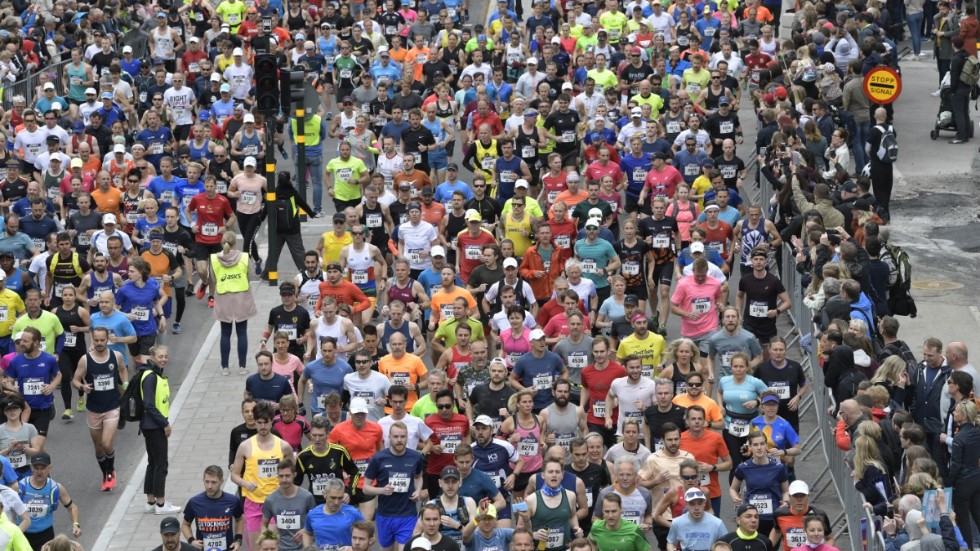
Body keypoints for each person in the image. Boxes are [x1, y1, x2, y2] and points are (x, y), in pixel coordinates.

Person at [230, 400, 295, 549]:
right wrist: (245, 483)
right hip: (253, 502)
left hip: (276, 501)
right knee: (255, 547)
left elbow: (293, 473)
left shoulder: (284, 447)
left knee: (270, 546)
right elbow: (234, 475)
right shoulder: (245, 446)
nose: (263, 426)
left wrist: (285, 484)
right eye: (259, 422)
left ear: (272, 422)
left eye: (266, 423)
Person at [71, 327, 127, 491]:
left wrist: (125, 384)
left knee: (106, 442)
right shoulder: (85, 360)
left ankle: (110, 472)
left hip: (112, 406)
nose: (100, 343)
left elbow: (123, 370)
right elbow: (75, 380)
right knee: (98, 448)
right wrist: (82, 386)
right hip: (94, 409)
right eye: (97, 340)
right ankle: (105, 474)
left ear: (107, 339)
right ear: (92, 340)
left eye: (103, 340)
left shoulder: (116, 356)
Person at [363, 421, 425, 551]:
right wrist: (382, 490)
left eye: (402, 437)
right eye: (396, 437)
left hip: (407, 514)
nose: (399, 440)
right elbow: (366, 488)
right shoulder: (378, 458)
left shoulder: (415, 457)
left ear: (407, 437)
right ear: (389, 437)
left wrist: (418, 491)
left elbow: (419, 477)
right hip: (385, 515)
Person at [139, 345, 182, 515]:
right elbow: (149, 404)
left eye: (165, 356)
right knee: (161, 464)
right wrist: (164, 423)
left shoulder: (154, 374)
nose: (163, 359)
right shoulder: (151, 377)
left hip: (150, 425)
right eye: (160, 356)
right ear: (152, 357)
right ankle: (161, 504)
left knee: (153, 462)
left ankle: (150, 501)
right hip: (154, 426)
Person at [210, 231, 258, 376]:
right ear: (235, 243)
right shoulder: (243, 257)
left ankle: (225, 367)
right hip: (241, 297)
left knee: (225, 333)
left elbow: (213, 278)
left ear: (222, 242)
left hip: (224, 297)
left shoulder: (214, 258)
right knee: (242, 332)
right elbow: (251, 275)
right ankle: (242, 366)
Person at [730, 431, 789, 537]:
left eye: (762, 444)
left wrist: (785, 502)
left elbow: (786, 491)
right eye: (755, 445)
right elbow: (733, 488)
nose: (759, 447)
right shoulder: (743, 467)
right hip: (750, 518)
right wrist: (735, 497)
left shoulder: (778, 467)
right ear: (750, 447)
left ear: (766, 445)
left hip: (772, 517)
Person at [18, 452, 81, 550]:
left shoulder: (55, 488)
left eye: (42, 468)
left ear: (49, 468)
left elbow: (72, 507)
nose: (39, 471)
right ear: (31, 468)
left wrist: (76, 525)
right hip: (22, 535)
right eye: (36, 468)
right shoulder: (20, 487)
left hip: (45, 536)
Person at [181, 465, 244, 550]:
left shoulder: (233, 501)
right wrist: (191, 540)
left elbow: (240, 519)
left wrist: (238, 540)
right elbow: (185, 524)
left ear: (221, 482)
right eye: (207, 482)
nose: (209, 486)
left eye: (213, 482)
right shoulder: (194, 502)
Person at [947, 399, 980, 545]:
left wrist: (948, 484)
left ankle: (968, 548)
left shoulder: (959, 438)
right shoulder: (977, 433)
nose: (954, 412)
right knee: (978, 515)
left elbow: (956, 466)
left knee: (963, 519)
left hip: (963, 484)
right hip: (977, 480)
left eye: (956, 411)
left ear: (964, 416)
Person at [302, 478, 367, 549]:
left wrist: (354, 549)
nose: (336, 502)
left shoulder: (353, 513)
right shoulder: (313, 514)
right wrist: (307, 548)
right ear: (325, 495)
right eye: (333, 498)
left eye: (340, 498)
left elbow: (370, 537)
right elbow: (307, 533)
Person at [948, 37, 972, 145]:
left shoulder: (956, 59)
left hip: (958, 89)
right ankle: (966, 135)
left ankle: (960, 136)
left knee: (959, 113)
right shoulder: (966, 55)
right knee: (965, 112)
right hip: (967, 87)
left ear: (954, 45)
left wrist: (952, 90)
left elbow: (954, 77)